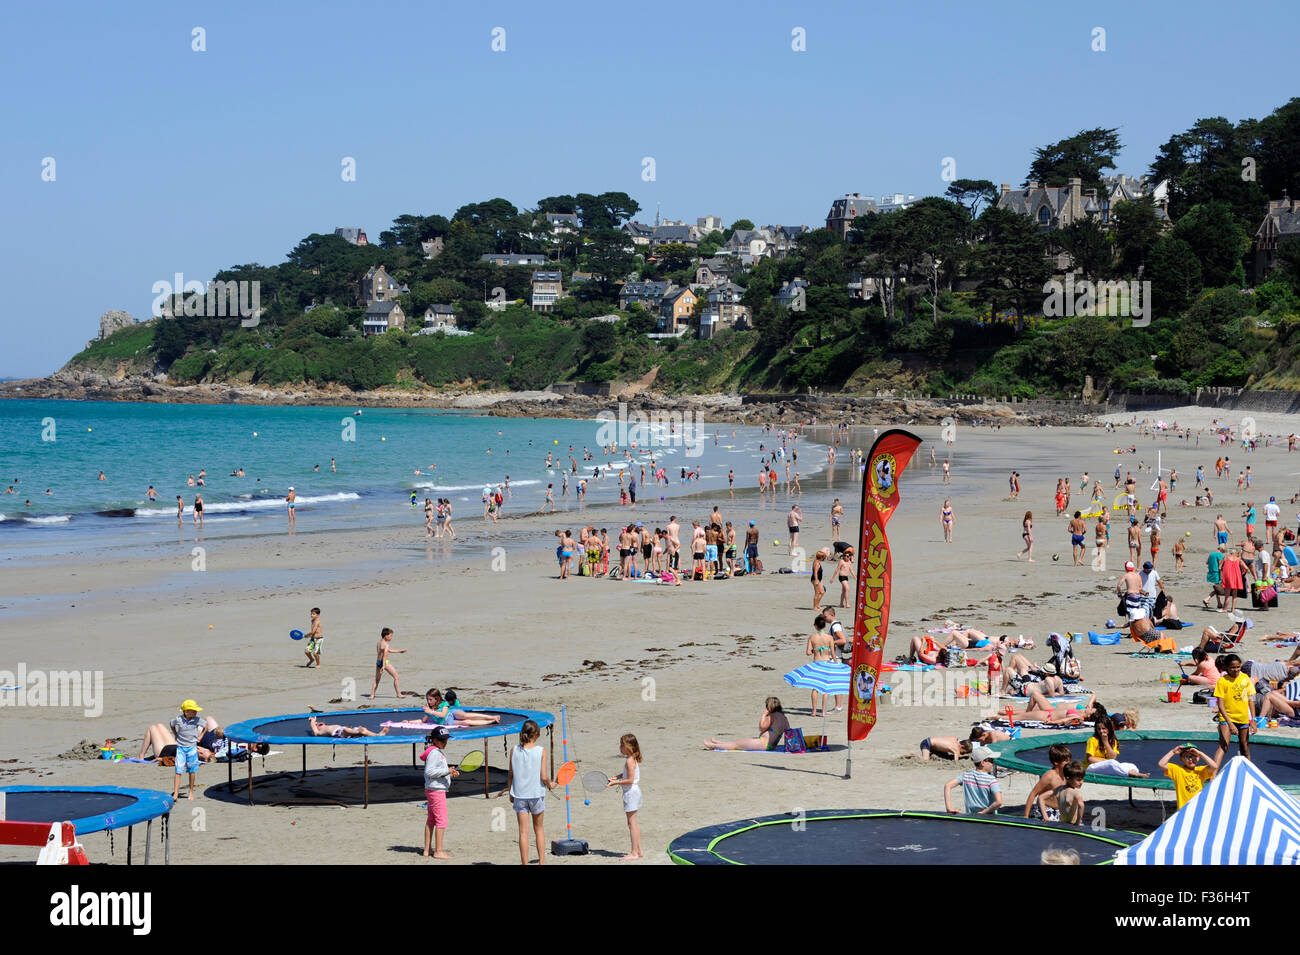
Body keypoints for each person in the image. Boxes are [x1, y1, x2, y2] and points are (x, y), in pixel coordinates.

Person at [498, 719, 556, 865]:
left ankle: (524, 863)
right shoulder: (541, 751)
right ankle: (541, 862)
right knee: (539, 829)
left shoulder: (514, 750)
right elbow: (544, 776)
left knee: (523, 832)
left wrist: (511, 791)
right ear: (536, 734)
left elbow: (510, 774)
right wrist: (551, 785)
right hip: (536, 795)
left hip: (519, 795)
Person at [421, 726, 458, 859]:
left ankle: (426, 850)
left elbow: (436, 769)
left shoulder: (433, 751)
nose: (445, 742)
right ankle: (438, 851)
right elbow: (430, 772)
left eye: (446, 739)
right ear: (435, 740)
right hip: (436, 791)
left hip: (432, 789)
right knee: (441, 820)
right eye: (442, 740)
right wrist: (447, 771)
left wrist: (449, 771)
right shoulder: (435, 753)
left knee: (431, 819)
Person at [605, 734, 643, 860]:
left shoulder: (629, 760)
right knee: (633, 823)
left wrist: (616, 783)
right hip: (634, 792)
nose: (620, 747)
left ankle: (634, 853)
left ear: (629, 747)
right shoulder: (632, 759)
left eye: (622, 745)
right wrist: (616, 777)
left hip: (631, 793)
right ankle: (639, 850)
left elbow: (630, 780)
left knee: (632, 824)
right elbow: (627, 773)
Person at [1212, 654, 1256, 765]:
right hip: (1227, 717)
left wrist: (1253, 720)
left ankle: (1248, 774)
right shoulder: (1222, 681)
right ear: (1227, 667)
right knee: (1224, 745)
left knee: (1244, 747)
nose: (1236, 670)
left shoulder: (1245, 679)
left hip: (1243, 717)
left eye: (1238, 667)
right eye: (1232, 667)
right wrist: (1230, 723)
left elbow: (1251, 700)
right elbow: (1220, 705)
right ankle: (1212, 775)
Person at [702, 697, 790, 751]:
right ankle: (719, 743)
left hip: (763, 743)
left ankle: (713, 746)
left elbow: (762, 728)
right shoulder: (784, 717)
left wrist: (764, 715)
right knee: (738, 743)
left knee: (736, 745)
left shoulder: (773, 715)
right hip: (772, 746)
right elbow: (789, 732)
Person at [943, 745, 1002, 815]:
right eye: (991, 760)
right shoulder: (991, 780)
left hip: (971, 817)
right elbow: (999, 802)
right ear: (983, 763)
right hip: (989, 818)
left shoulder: (966, 776)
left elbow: (948, 785)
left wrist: (949, 808)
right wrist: (983, 812)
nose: (993, 763)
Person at [1084, 716, 1149, 777]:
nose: (1101, 731)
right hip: (1091, 767)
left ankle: (1133, 772)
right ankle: (1128, 773)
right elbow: (1090, 759)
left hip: (1106, 765)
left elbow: (1113, 757)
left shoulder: (1113, 740)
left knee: (1131, 765)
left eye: (1103, 728)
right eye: (1099, 729)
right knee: (1112, 763)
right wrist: (1105, 762)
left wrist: (1106, 742)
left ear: (1108, 729)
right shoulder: (1092, 740)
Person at [1157, 744, 1217, 809]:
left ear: (1198, 758)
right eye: (1187, 757)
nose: (1191, 759)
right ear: (1181, 759)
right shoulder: (1177, 770)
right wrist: (1173, 752)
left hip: (1198, 807)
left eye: (1194, 756)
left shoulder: (1201, 770)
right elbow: (1161, 764)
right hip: (1183, 809)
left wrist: (1200, 753)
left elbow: (1214, 766)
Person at [1022, 743, 1073, 820]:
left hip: (1059, 810)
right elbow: (1033, 793)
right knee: (1053, 825)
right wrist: (1026, 816)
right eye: (1066, 761)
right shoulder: (1049, 776)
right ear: (1056, 762)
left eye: (1069, 760)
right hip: (1045, 808)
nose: (1069, 763)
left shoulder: (1067, 775)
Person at [171, 700, 207, 801]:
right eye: (193, 711)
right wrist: (176, 734)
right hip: (180, 748)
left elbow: (205, 725)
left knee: (192, 770)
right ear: (186, 712)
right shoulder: (178, 719)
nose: (195, 713)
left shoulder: (197, 720)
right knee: (178, 770)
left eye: (196, 711)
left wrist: (201, 736)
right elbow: (171, 724)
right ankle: (176, 793)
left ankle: (191, 791)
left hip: (192, 748)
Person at [806, 615, 839, 716]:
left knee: (815, 688)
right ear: (824, 626)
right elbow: (833, 654)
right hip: (826, 663)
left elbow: (808, 653)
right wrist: (837, 663)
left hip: (817, 663)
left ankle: (814, 711)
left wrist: (814, 650)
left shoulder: (812, 637)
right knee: (825, 689)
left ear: (816, 626)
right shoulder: (829, 638)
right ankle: (823, 712)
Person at [368, 627, 406, 700]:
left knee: (377, 680)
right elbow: (385, 655)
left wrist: (399, 651)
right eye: (390, 636)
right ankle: (399, 694)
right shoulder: (386, 644)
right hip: (384, 662)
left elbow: (388, 650)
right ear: (386, 636)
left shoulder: (379, 643)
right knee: (396, 677)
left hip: (378, 662)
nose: (391, 638)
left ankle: (372, 695)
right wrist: (384, 666)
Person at [307, 716, 388, 738]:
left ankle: (378, 735)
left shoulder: (325, 728)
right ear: (318, 727)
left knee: (363, 730)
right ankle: (359, 732)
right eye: (320, 724)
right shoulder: (319, 732)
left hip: (343, 730)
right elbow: (314, 731)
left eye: (324, 724)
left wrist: (316, 723)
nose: (323, 724)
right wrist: (312, 721)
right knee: (358, 730)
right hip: (340, 732)